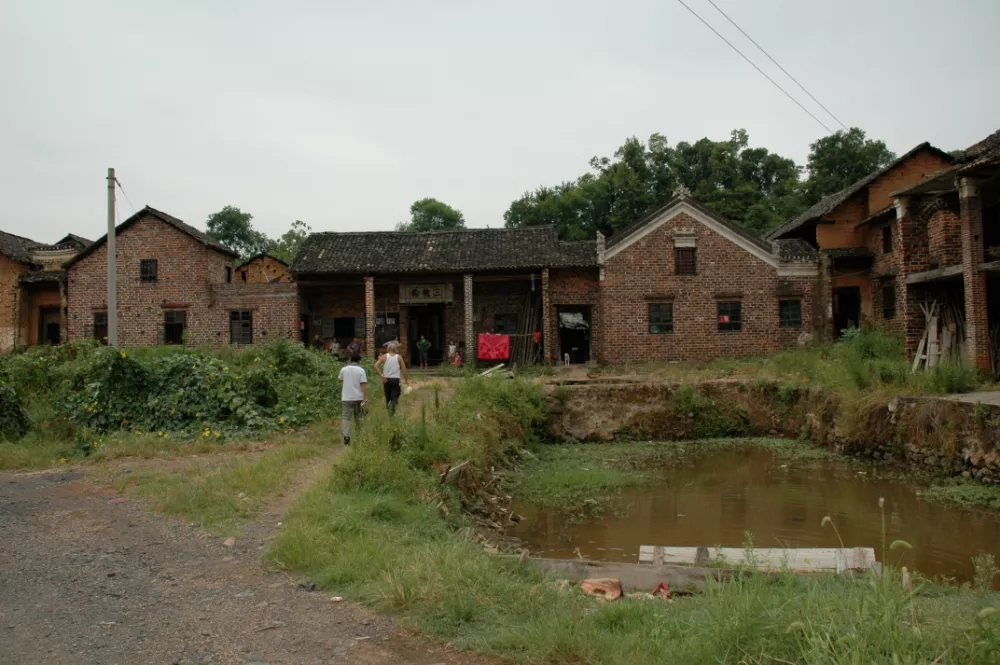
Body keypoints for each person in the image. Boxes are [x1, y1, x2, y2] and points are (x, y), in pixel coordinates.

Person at [337, 354, 367, 446]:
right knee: (358, 417)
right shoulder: (361, 370)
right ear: (359, 361)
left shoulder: (344, 369)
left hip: (346, 397)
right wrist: (365, 398)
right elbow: (363, 385)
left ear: (350, 359)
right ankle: (359, 435)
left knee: (346, 417)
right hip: (358, 397)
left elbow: (339, 380)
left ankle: (346, 436)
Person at [374, 341, 408, 416]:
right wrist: (406, 380)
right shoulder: (399, 357)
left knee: (388, 395)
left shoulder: (384, 356)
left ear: (388, 348)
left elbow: (376, 366)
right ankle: (392, 408)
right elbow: (404, 369)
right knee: (396, 394)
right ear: (396, 349)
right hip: (395, 379)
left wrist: (381, 375)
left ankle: (390, 413)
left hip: (386, 379)